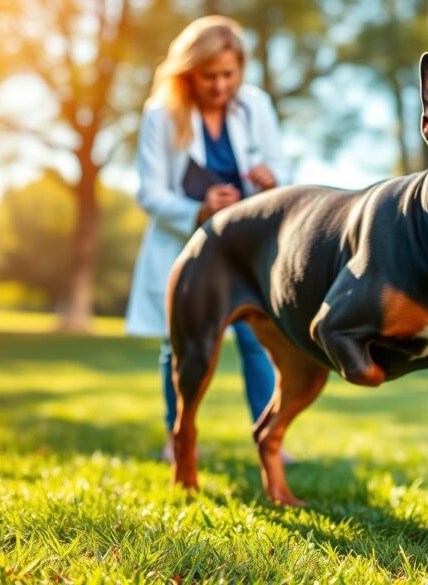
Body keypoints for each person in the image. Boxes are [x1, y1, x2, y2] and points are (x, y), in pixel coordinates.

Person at [124, 16, 292, 463]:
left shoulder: (255, 105)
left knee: (259, 338)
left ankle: (270, 438)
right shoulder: (161, 115)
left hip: (244, 248)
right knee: (179, 344)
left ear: (240, 70)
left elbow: (283, 170)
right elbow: (149, 192)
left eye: (228, 75)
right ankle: (176, 439)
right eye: (208, 76)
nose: (219, 86)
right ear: (188, 73)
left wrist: (270, 178)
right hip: (187, 246)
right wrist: (198, 208)